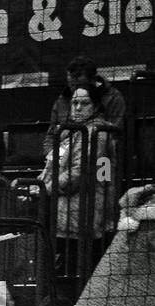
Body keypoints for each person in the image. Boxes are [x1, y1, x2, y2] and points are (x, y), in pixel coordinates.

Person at [40, 83, 117, 274]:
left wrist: (46, 188)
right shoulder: (72, 132)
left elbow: (79, 173)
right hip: (69, 213)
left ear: (96, 106)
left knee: (77, 274)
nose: (78, 108)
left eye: (85, 103)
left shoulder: (96, 134)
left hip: (83, 215)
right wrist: (41, 182)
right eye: (75, 103)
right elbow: (54, 165)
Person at [44, 56, 125, 154]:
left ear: (93, 81)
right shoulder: (62, 100)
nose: (75, 90)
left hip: (99, 157)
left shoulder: (113, 98)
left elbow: (116, 135)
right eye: (71, 85)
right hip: (63, 160)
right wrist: (52, 157)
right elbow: (51, 135)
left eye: (79, 85)